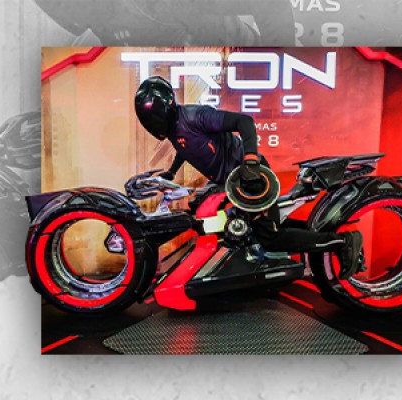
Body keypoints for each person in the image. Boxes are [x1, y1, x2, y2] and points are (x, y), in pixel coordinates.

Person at [133, 76, 364, 279]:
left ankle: (343, 242)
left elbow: (244, 122)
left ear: (168, 107)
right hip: (228, 182)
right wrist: (172, 172)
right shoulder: (173, 130)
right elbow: (186, 147)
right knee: (208, 219)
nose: (153, 125)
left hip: (250, 176)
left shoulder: (196, 116)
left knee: (270, 237)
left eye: (155, 118)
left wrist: (251, 160)